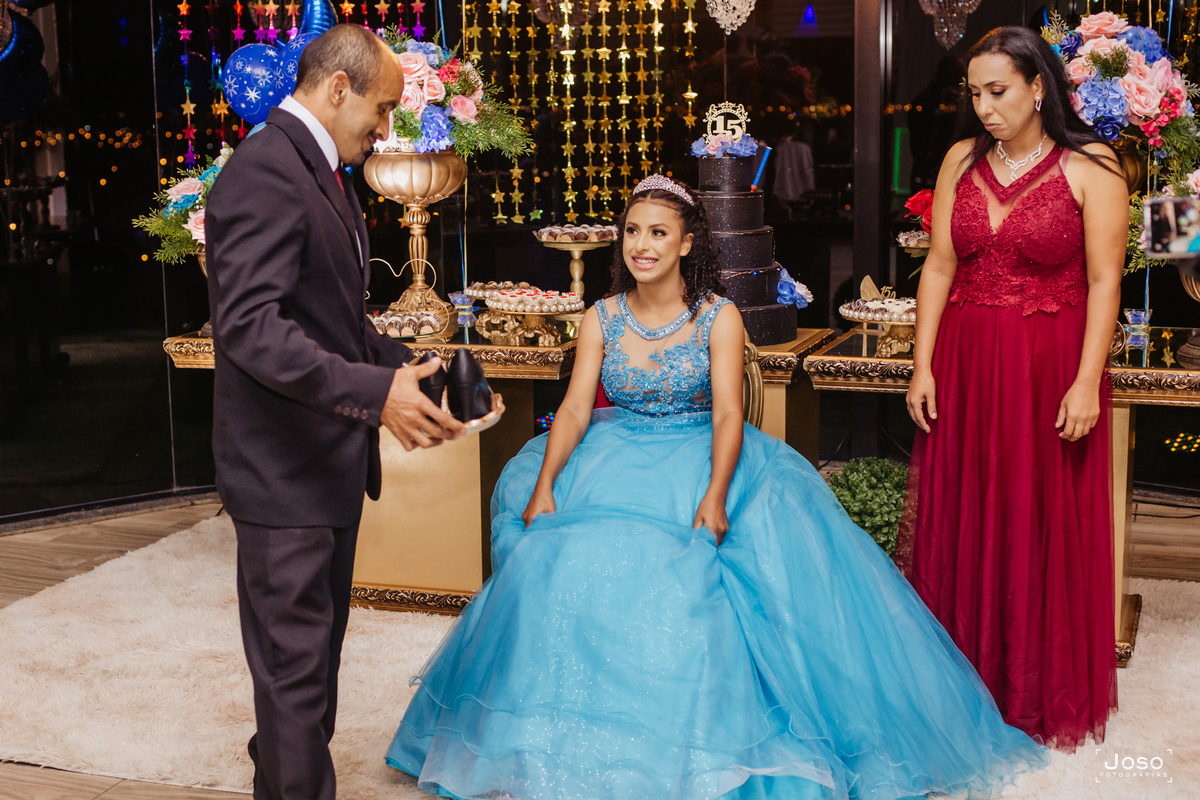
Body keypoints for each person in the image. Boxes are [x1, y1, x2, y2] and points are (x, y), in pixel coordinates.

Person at [384, 174, 1048, 799]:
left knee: (687, 578)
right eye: (633, 231)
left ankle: (689, 748)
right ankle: (556, 743)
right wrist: (546, 485)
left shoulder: (717, 316)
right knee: (552, 560)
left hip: (699, 455)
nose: (642, 245)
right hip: (610, 457)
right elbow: (578, 410)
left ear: (687, 243)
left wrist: (714, 494)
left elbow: (730, 414)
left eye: (658, 233)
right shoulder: (601, 316)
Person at [205, 25, 464, 800]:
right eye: (381, 109)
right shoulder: (263, 170)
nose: (385, 129)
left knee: (308, 677)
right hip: (280, 473)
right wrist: (375, 394)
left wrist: (412, 369)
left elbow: (333, 324)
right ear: (337, 87)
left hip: (322, 466)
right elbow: (250, 329)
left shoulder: (320, 171)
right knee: (295, 679)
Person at [899, 25, 1125, 751]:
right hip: (967, 358)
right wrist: (922, 363)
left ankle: (1031, 685)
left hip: (1048, 363)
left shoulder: (1093, 166)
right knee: (968, 506)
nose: (984, 108)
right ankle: (962, 680)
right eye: (975, 94)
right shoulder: (961, 159)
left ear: (1038, 86)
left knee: (1038, 511)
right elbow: (940, 266)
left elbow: (1105, 281)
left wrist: (1086, 381)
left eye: (997, 92)